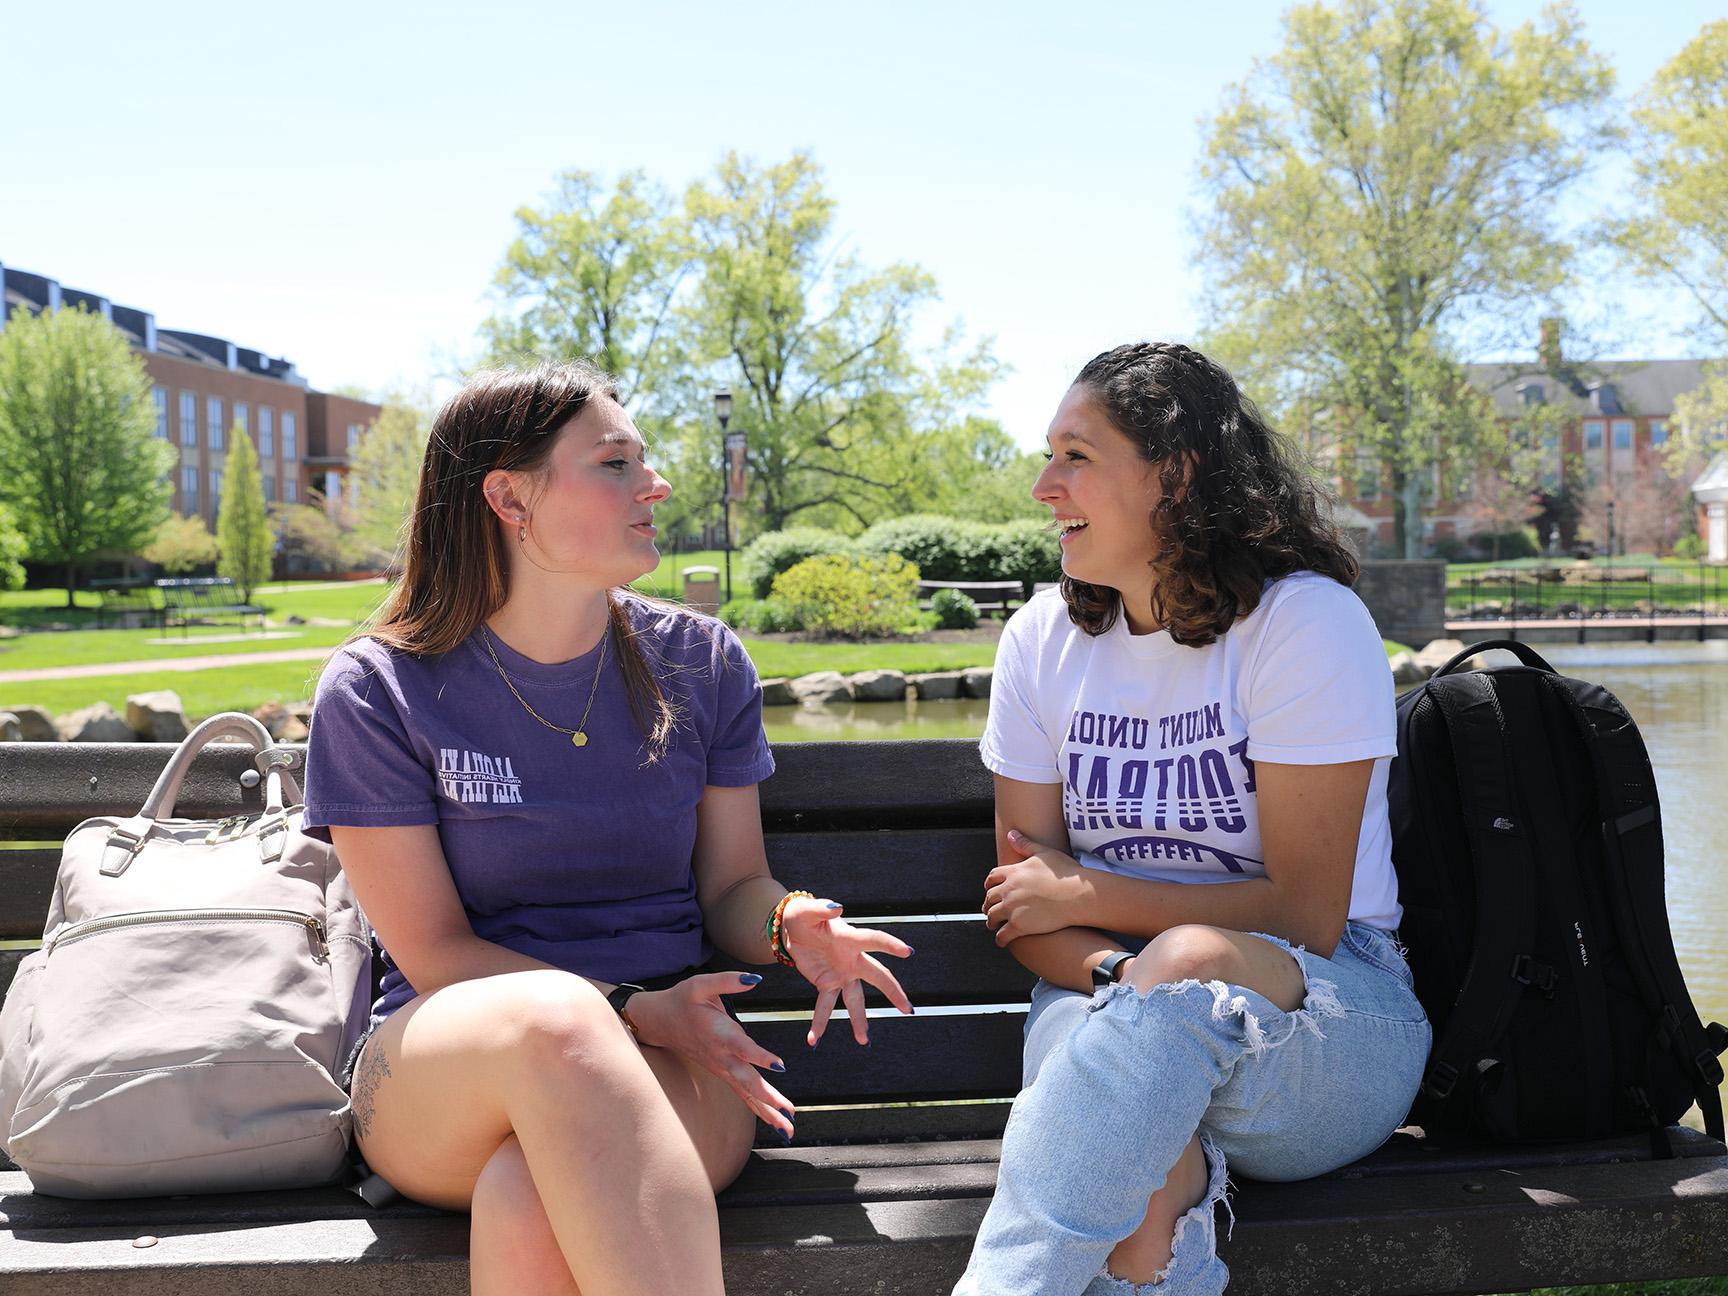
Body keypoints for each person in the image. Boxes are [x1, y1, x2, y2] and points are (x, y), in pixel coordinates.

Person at [300, 361, 913, 1296]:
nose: (655, 485)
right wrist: (621, 1005)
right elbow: (432, 952)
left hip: (677, 1060)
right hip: (445, 1067)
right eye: (617, 463)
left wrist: (790, 924)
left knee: (532, 1194)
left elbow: (730, 889)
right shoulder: (379, 689)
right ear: (508, 496)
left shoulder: (699, 662)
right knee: (558, 1019)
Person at [952, 343, 1430, 1295]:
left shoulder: (1303, 624)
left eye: (1076, 455)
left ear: (1175, 472)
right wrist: (1125, 977)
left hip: (1325, 1026)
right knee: (1138, 1190)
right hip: (1096, 1001)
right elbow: (1023, 911)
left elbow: (1303, 917)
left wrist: (1089, 896)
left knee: (1190, 969)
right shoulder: (1041, 642)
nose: (1045, 485)